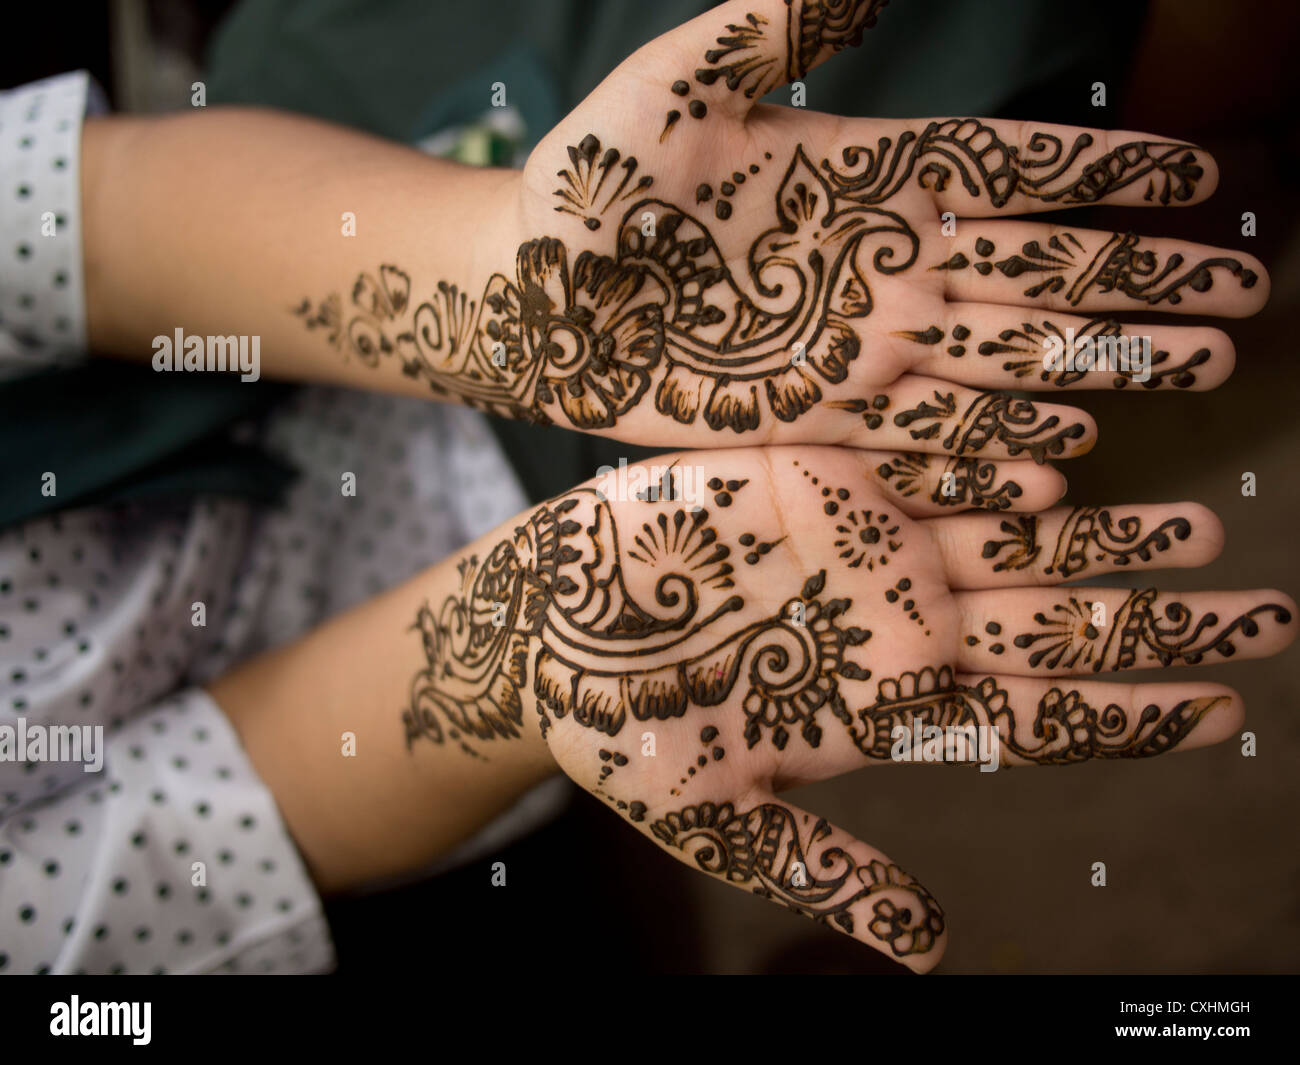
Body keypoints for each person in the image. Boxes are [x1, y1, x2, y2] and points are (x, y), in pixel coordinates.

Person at [0, 0, 1292, 975]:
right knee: (1058, 258)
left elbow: (71, 223)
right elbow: (222, 806)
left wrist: (509, 294)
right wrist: (549, 641)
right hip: (435, 592)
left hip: (318, 232)